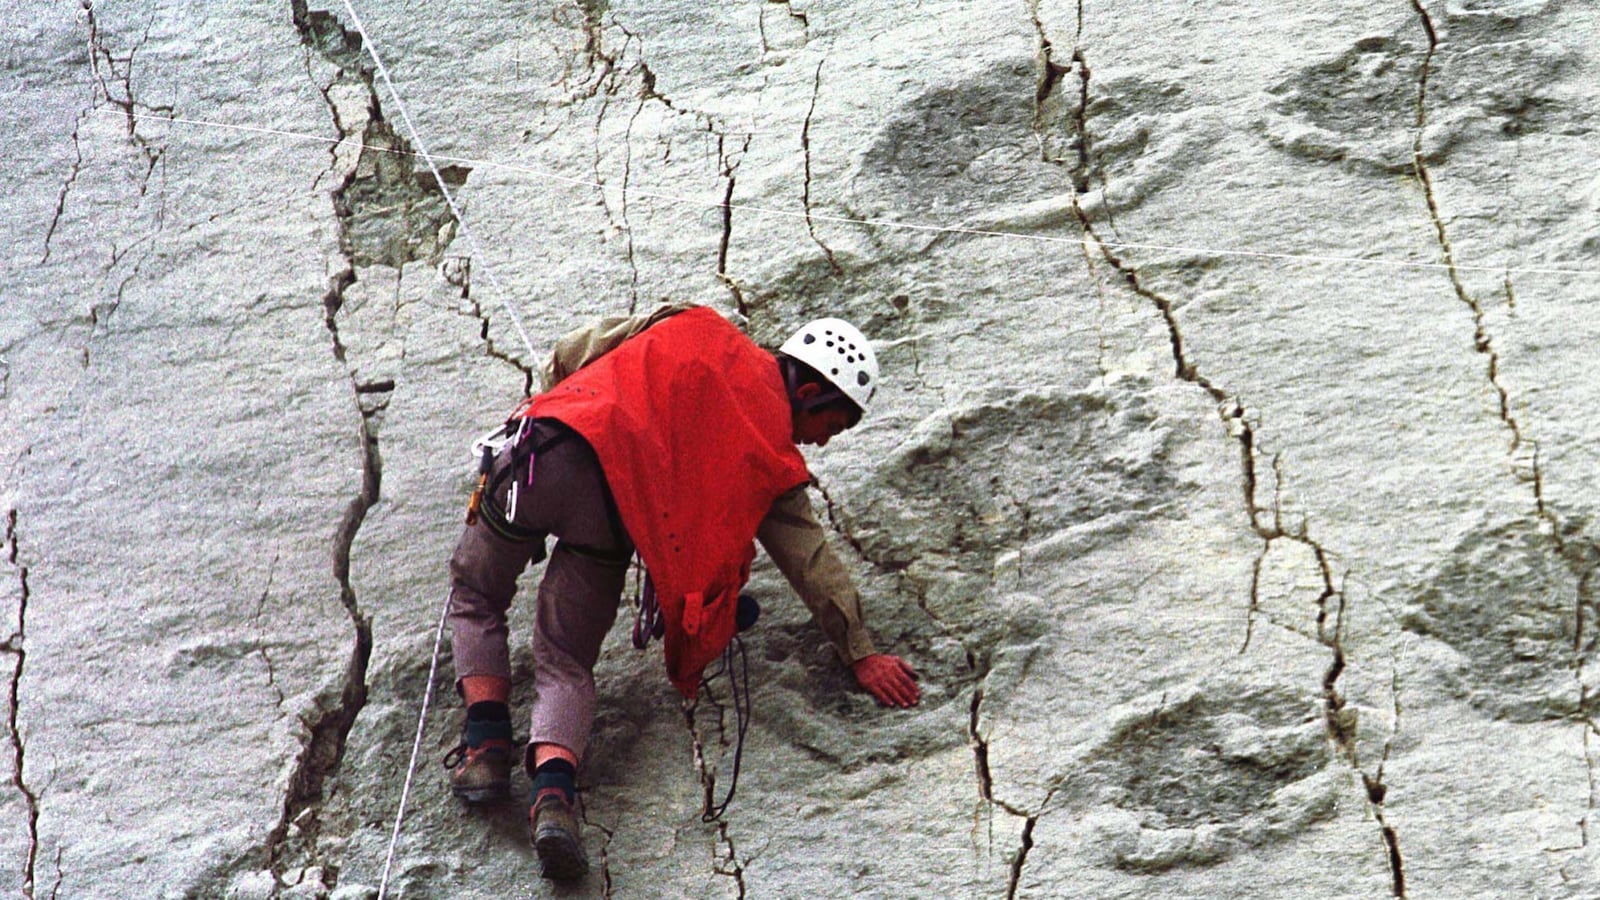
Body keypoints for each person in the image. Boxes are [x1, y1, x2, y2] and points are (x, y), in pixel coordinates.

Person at [441, 303, 920, 881]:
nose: (820, 443)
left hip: (548, 457)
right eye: (831, 426)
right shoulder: (773, 458)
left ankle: (486, 746)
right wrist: (860, 650)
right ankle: (552, 797)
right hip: (611, 521)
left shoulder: (695, 323)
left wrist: (554, 406)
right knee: (567, 658)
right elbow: (809, 559)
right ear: (811, 390)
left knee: (476, 592)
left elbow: (572, 350)